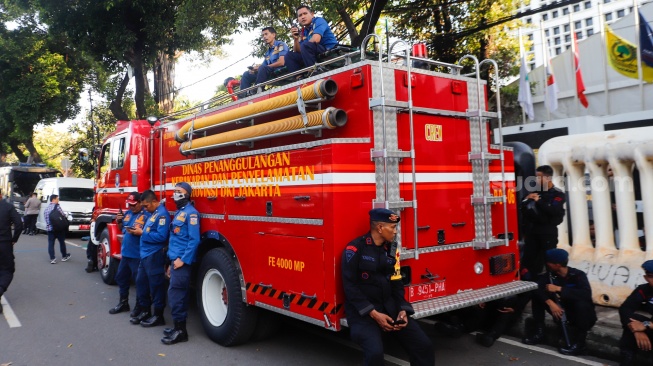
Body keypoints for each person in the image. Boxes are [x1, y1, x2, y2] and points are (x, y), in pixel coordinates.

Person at [341, 208, 434, 366]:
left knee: (423, 346)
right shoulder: (355, 249)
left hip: (391, 309)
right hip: (364, 315)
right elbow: (350, 287)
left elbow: (396, 282)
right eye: (392, 227)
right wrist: (374, 314)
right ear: (379, 228)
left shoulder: (392, 249)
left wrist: (403, 309)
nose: (395, 232)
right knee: (375, 354)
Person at [523, 249, 597, 356]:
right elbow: (536, 287)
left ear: (557, 265)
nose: (547, 264)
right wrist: (549, 302)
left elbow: (586, 294)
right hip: (561, 312)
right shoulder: (550, 275)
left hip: (580, 317)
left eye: (549, 262)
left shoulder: (577, 275)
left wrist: (559, 289)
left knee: (582, 304)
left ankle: (580, 344)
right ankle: (540, 332)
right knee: (537, 296)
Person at [161, 182, 200, 345]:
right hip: (175, 261)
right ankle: (177, 327)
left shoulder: (191, 214)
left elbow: (194, 240)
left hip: (182, 263)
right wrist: (171, 262)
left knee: (177, 296)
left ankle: (181, 331)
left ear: (187, 193)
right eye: (174, 191)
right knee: (177, 296)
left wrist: (182, 260)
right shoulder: (180, 213)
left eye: (179, 191)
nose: (175, 194)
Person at [129, 190, 170, 328]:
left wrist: (142, 233)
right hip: (145, 254)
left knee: (156, 286)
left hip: (154, 254)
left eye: (146, 206)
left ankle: (158, 315)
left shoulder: (162, 215)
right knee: (141, 283)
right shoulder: (153, 213)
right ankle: (145, 311)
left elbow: (162, 237)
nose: (145, 209)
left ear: (154, 201)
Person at [520, 165, 566, 279]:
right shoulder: (536, 192)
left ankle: (551, 285)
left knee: (549, 261)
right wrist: (527, 199)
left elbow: (553, 210)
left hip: (548, 232)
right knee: (528, 261)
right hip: (533, 231)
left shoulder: (557, 194)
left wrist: (539, 201)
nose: (536, 180)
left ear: (548, 178)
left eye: (539, 177)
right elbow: (523, 206)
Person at [108, 192, 150, 316]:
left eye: (134, 204)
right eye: (129, 204)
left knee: (139, 283)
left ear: (140, 202)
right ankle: (123, 303)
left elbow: (149, 233)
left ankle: (139, 306)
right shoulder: (128, 213)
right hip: (126, 253)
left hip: (137, 255)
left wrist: (139, 232)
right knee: (121, 278)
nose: (131, 207)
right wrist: (119, 221)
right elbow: (122, 228)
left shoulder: (146, 216)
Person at [618, 260, 653, 365]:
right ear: (646, 278)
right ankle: (627, 361)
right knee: (632, 320)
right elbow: (625, 308)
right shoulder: (644, 290)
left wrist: (646, 325)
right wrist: (636, 330)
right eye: (651, 276)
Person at [284, 5, 338, 73]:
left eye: (305, 13)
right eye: (300, 15)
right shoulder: (303, 31)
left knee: (305, 46)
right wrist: (296, 39)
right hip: (313, 51)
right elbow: (297, 50)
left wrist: (303, 47)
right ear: (298, 19)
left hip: (328, 49)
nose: (303, 17)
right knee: (289, 55)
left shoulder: (319, 21)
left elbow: (316, 40)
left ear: (312, 14)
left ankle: (314, 72)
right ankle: (299, 78)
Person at [239, 27, 289, 96]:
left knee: (262, 68)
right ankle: (242, 96)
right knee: (247, 74)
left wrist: (262, 67)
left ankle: (257, 90)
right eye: (263, 35)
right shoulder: (267, 53)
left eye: (266, 34)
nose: (264, 37)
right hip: (268, 73)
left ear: (273, 35)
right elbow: (263, 66)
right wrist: (255, 69)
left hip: (280, 70)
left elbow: (282, 62)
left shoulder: (280, 44)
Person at [0, 189, 23, 314]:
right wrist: (14, 239)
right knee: (7, 270)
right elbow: (19, 224)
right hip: (4, 244)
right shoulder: (8, 207)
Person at [44, 194, 71, 264]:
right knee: (62, 242)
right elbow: (63, 216)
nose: (58, 200)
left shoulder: (46, 209)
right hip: (59, 229)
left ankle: (52, 258)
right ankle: (64, 256)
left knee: (51, 243)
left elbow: (47, 220)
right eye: (57, 199)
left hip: (50, 229)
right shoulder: (57, 207)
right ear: (54, 199)